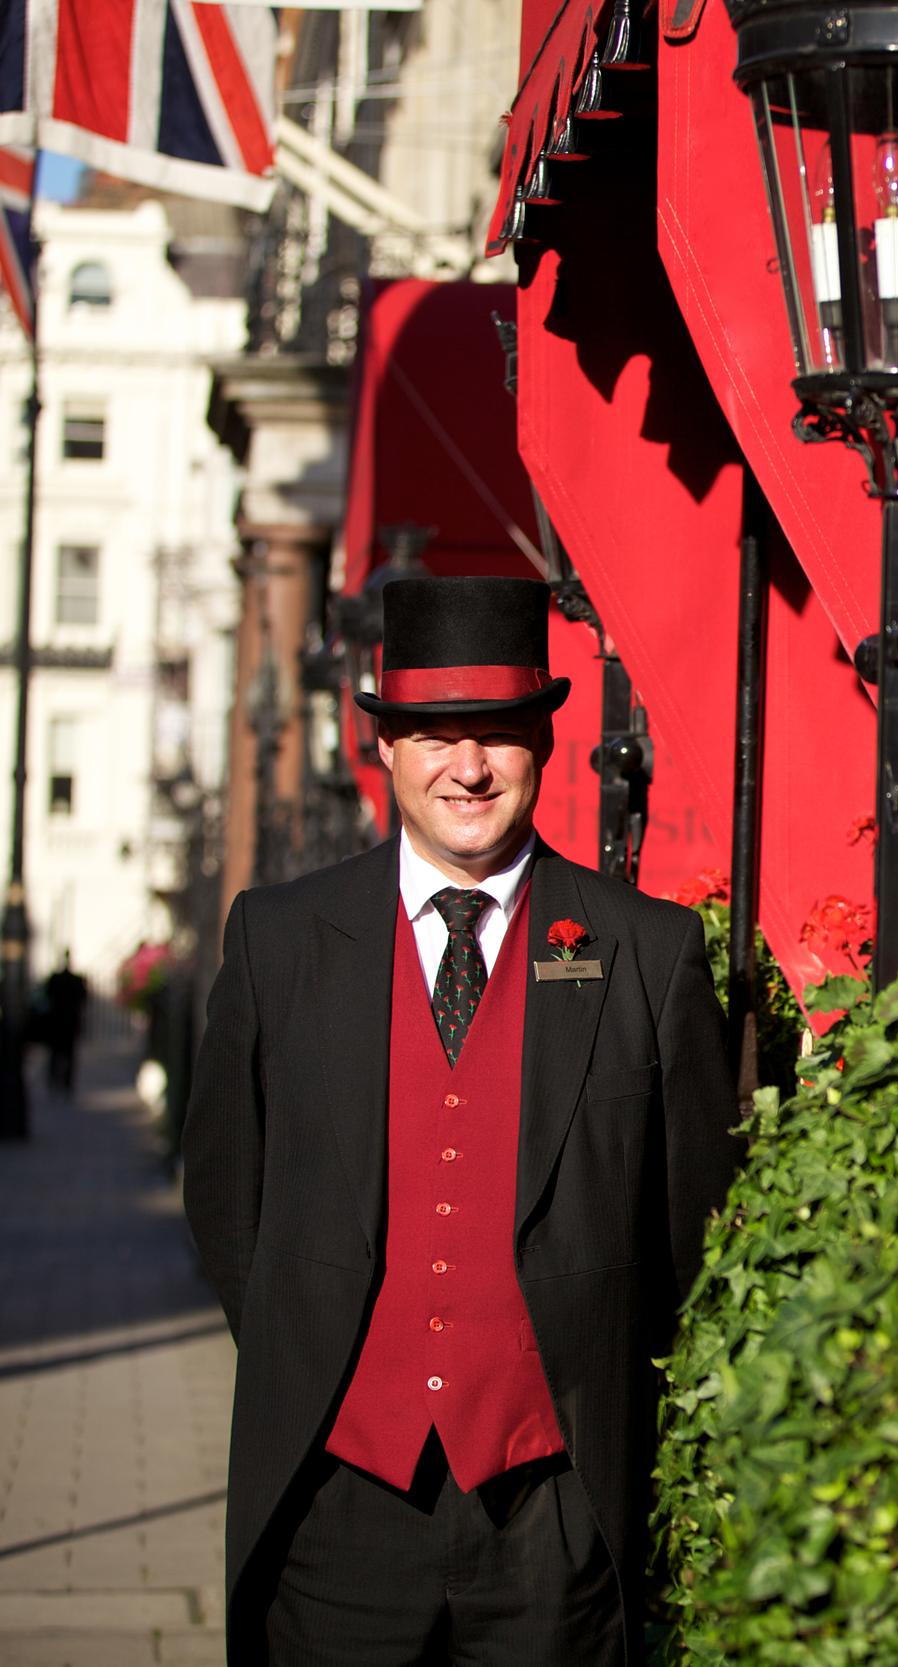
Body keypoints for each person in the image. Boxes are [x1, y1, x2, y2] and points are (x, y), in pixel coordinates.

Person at [181, 576, 743, 1665]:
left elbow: (693, 1225)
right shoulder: (279, 939)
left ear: (542, 743)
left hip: (553, 1512)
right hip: (336, 1501)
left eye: (496, 734)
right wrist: (321, 1352)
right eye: (436, 734)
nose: (468, 766)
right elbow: (226, 1193)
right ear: (384, 748)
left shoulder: (645, 950)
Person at [43, 954, 88, 1094]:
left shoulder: (57, 979)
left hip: (58, 1021)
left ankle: (56, 1082)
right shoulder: (74, 980)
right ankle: (64, 1083)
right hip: (66, 1022)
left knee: (57, 1054)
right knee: (66, 1054)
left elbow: (47, 995)